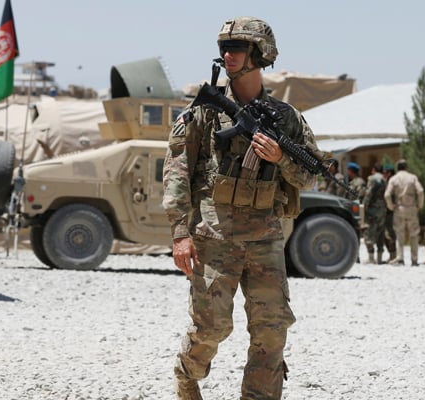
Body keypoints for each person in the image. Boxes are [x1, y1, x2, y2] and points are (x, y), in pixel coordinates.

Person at [162, 16, 320, 399]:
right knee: (211, 328)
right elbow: (177, 171)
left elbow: (309, 175)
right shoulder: (204, 111)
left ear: (260, 55)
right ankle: (186, 377)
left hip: (265, 238)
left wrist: (281, 156)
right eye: (224, 49)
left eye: (237, 48)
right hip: (214, 236)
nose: (227, 55)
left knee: (271, 329)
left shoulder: (286, 119)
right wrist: (181, 234)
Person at [384, 159, 424, 266]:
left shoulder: (394, 178)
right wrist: (419, 205)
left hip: (399, 208)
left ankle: (400, 258)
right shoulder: (413, 177)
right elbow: (420, 191)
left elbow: (387, 195)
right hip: (411, 207)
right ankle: (414, 259)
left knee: (399, 234)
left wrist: (391, 206)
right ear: (406, 167)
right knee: (414, 234)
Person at [363, 163, 387, 264]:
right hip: (382, 208)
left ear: (373, 170)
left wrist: (364, 206)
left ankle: (371, 258)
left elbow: (369, 194)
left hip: (372, 209)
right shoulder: (384, 180)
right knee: (380, 232)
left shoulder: (372, 179)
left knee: (369, 232)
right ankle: (380, 257)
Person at [382, 164, 397, 262]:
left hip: (392, 212)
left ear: (389, 173)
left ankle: (393, 255)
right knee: (386, 234)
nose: (383, 174)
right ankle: (392, 254)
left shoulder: (393, 183)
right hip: (386, 211)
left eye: (385, 172)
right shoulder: (387, 182)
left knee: (390, 234)